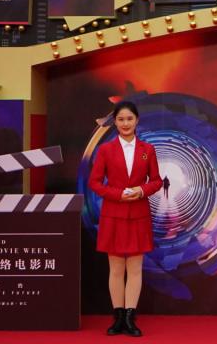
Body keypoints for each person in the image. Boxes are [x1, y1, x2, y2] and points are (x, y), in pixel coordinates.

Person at [89, 101, 162, 337]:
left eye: (129, 119)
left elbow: (156, 181)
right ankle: (118, 317)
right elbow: (95, 182)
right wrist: (117, 194)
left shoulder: (147, 149)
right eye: (121, 119)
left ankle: (131, 318)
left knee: (135, 268)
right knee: (116, 269)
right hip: (113, 214)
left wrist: (141, 190)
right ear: (115, 122)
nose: (125, 123)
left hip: (139, 214)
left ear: (137, 120)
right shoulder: (105, 150)